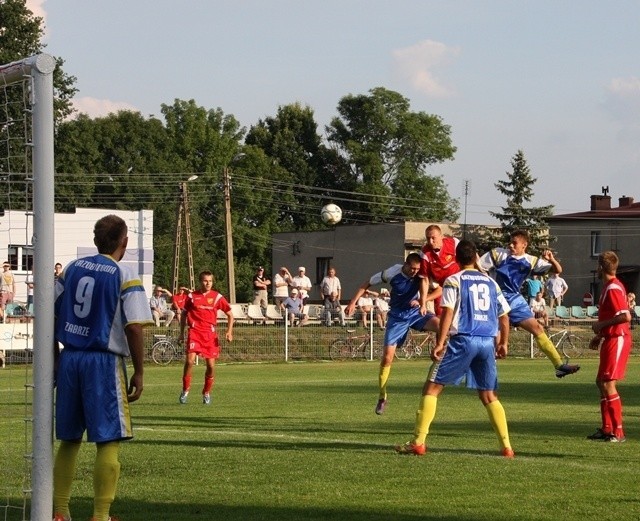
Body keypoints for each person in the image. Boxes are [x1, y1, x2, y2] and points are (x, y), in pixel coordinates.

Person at [52, 215, 153, 521]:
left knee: (69, 439)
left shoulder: (71, 269)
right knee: (108, 439)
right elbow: (134, 327)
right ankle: (100, 515)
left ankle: (59, 512)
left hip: (70, 358)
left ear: (95, 240)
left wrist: (55, 359)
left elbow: (50, 311)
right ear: (124, 242)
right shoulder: (124, 274)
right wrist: (139, 370)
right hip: (103, 361)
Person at [396, 240, 514, 458]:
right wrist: (504, 342)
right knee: (489, 395)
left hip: (463, 340)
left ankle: (418, 442)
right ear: (477, 257)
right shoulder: (491, 282)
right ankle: (506, 447)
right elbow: (504, 316)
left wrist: (440, 343)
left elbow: (448, 312)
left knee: (431, 389)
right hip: (487, 342)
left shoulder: (454, 280)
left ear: (456, 260)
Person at [345, 252, 439, 415]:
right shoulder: (392, 272)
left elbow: (439, 290)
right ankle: (382, 397)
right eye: (413, 268)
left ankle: (444, 354)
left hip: (416, 313)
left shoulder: (422, 274)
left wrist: (424, 301)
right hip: (397, 318)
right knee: (387, 358)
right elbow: (366, 283)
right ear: (406, 264)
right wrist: (353, 302)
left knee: (444, 326)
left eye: (418, 269)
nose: (415, 272)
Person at [478, 230, 580, 378]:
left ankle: (559, 366)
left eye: (515, 243)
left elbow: (557, 270)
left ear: (524, 245)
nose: (511, 245)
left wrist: (552, 259)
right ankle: (483, 375)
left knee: (538, 328)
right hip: (497, 297)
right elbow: (478, 266)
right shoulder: (498, 254)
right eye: (510, 241)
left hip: (515, 299)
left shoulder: (531, 261)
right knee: (495, 341)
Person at [586, 251, 632, 443]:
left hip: (618, 338)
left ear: (600, 267)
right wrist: (600, 335)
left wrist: (600, 327)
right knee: (600, 382)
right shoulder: (610, 286)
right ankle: (607, 429)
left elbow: (625, 316)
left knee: (608, 384)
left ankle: (618, 432)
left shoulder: (613, 288)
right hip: (609, 337)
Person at [179, 271, 234, 405]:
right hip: (195, 332)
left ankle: (206, 392)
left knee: (210, 366)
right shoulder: (191, 296)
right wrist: (181, 333)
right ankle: (185, 390)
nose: (208, 283)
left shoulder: (217, 297)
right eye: (205, 281)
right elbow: (183, 315)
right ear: (200, 281)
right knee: (190, 361)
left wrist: (229, 331)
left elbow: (230, 315)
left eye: (210, 281)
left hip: (209, 335)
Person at [419, 224, 460, 315]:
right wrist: (423, 304)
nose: (430, 241)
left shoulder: (454, 243)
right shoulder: (425, 253)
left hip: (459, 285)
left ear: (441, 236)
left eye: (433, 238)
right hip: (442, 289)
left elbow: (469, 255)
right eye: (428, 238)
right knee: (441, 316)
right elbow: (424, 280)